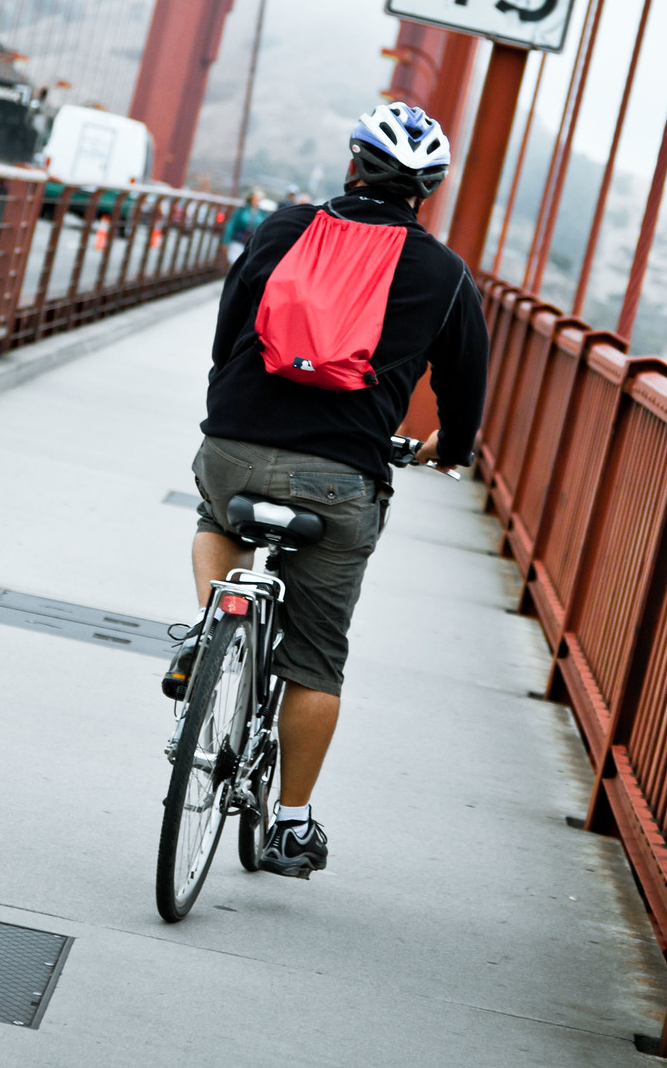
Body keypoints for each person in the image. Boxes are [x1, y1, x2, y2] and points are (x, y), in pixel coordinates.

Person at [172, 102, 488, 878]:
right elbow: (464, 389)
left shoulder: (283, 226)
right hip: (340, 475)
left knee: (217, 515)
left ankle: (211, 630)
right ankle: (289, 825)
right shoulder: (445, 274)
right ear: (428, 189)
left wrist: (230, 407)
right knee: (315, 661)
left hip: (234, 442)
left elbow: (228, 327)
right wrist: (452, 449)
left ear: (352, 163)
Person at [220, 190, 267, 264]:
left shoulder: (262, 213)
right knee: (234, 261)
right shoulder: (242, 210)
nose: (256, 201)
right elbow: (231, 225)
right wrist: (226, 241)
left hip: (251, 243)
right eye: (255, 199)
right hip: (238, 239)